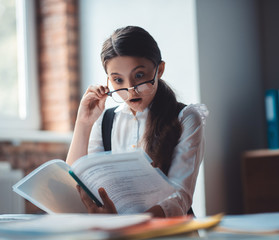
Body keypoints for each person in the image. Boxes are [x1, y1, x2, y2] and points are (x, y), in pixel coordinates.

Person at [66, 26, 208, 218]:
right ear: (108, 81)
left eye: (139, 75)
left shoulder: (185, 117)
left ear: (160, 70)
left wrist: (127, 225)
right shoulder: (105, 121)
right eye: (118, 80)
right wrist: (83, 123)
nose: (130, 89)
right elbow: (76, 182)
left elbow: (179, 197)